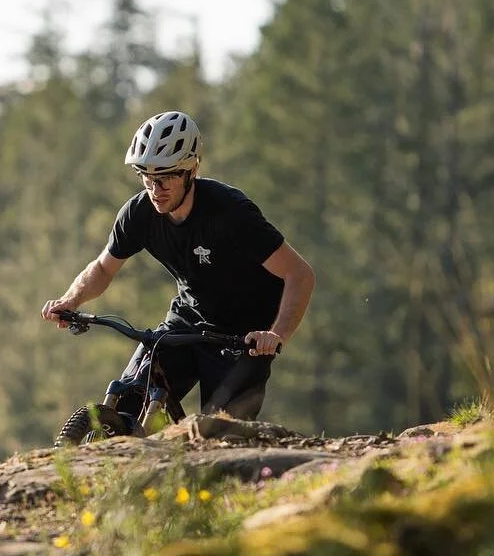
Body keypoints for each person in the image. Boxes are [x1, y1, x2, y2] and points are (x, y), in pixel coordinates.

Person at [40, 110, 315, 421]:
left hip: (243, 336)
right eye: (147, 177)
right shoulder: (138, 214)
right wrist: (71, 300)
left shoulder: (231, 214)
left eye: (166, 177)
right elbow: (103, 268)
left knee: (220, 434)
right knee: (128, 401)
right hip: (186, 321)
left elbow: (299, 274)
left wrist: (275, 335)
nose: (156, 189)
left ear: (191, 170)